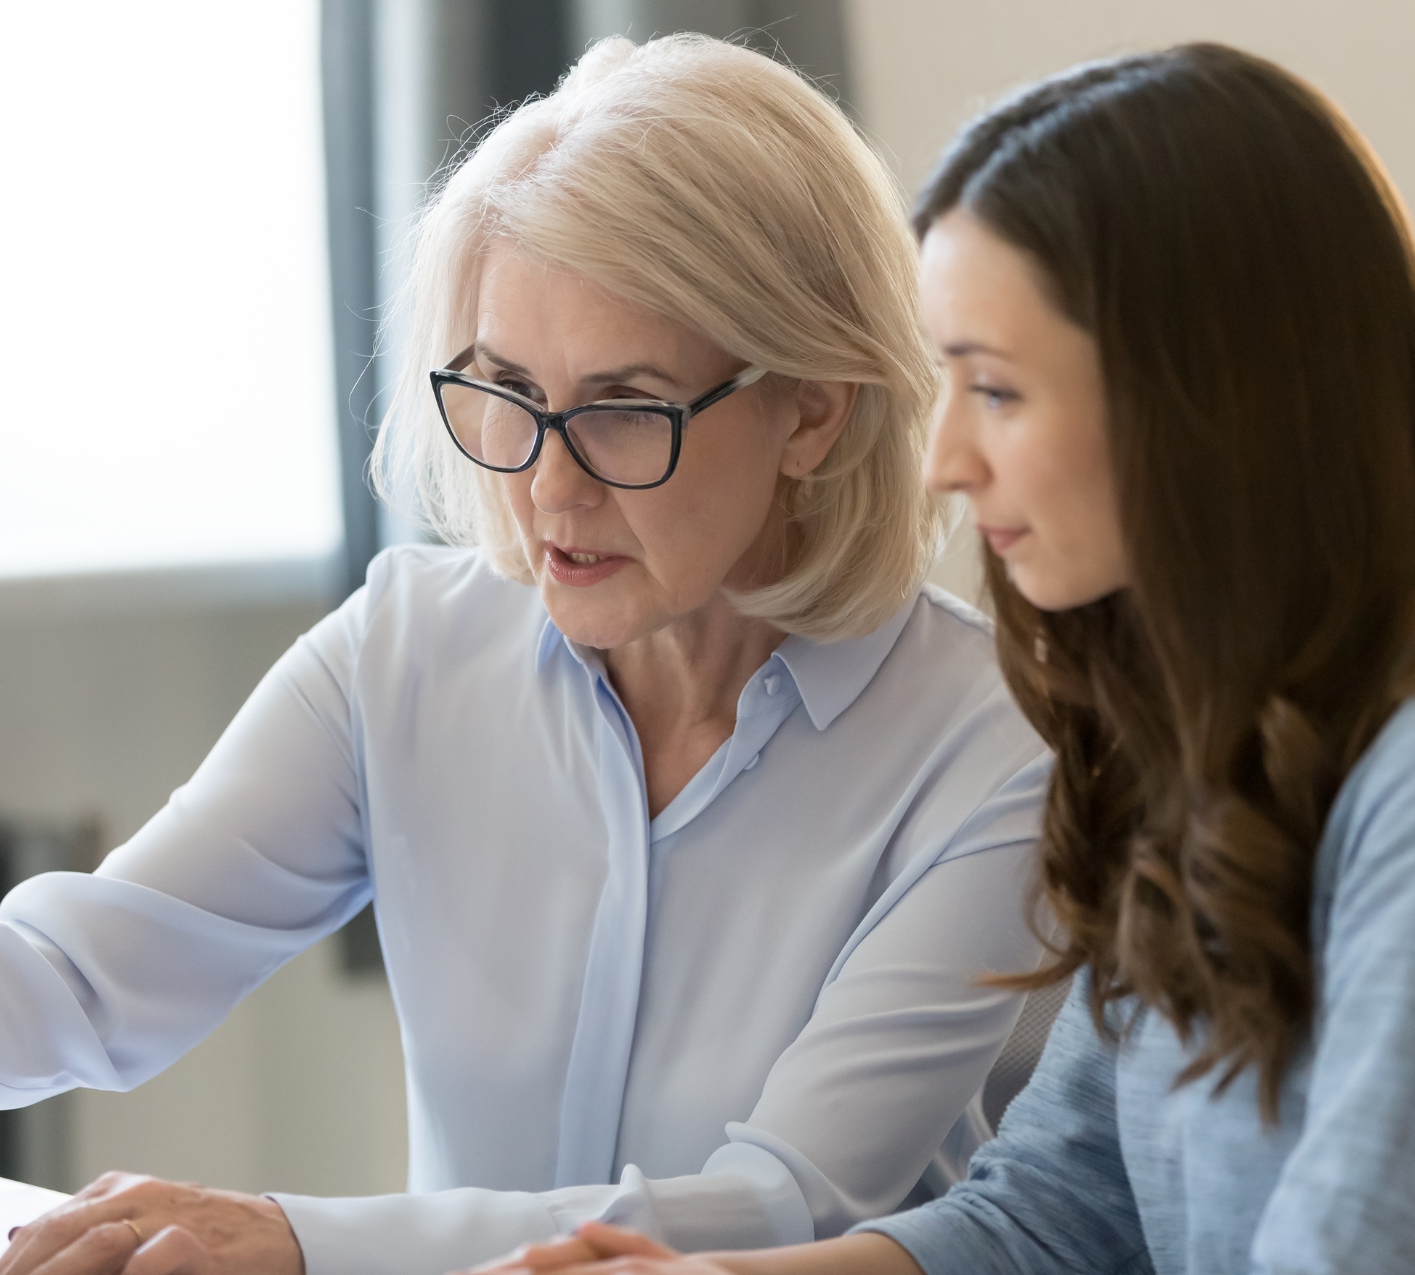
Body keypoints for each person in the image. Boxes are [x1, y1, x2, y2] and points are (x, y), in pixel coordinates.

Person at [0, 33, 1051, 1275]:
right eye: (506, 393)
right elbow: (92, 974)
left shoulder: (992, 754)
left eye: (623, 409)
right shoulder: (406, 651)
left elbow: (780, 1204)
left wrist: (294, 1243)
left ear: (813, 407)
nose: (549, 489)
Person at [480, 41, 1415, 1275]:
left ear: (1205, 404)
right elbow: (1053, 1214)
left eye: (999, 391)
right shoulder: (1198, 760)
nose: (943, 463)